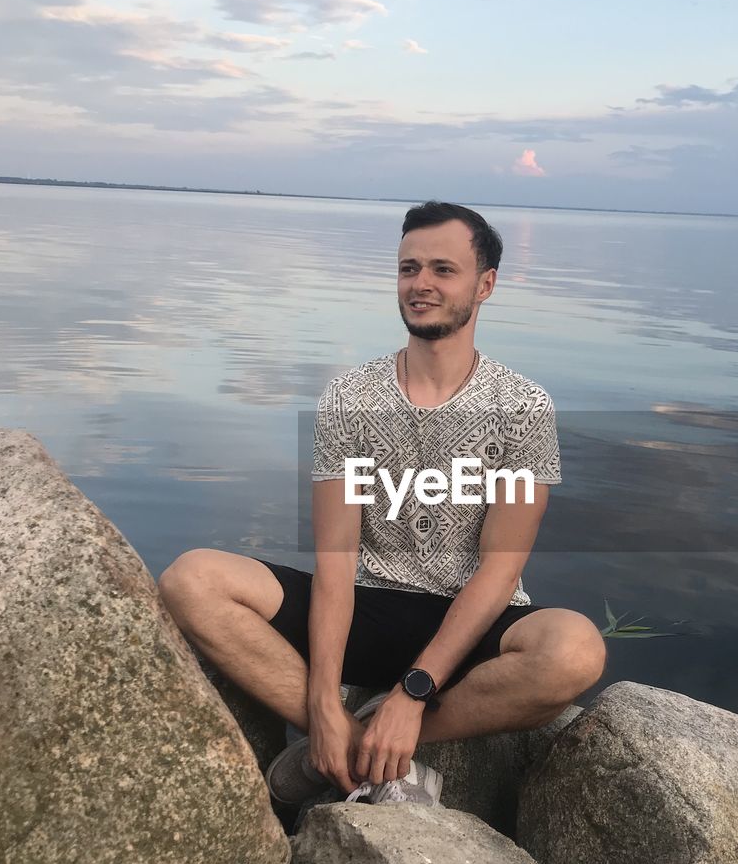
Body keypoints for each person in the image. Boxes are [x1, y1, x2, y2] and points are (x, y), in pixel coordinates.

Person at [158, 201, 607, 805]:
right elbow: (337, 559)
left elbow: (500, 572)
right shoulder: (351, 395)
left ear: (486, 284)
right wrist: (320, 699)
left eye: (443, 269)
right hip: (366, 604)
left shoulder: (521, 407)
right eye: (408, 268)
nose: (420, 284)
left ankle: (370, 736)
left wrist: (414, 694)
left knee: (575, 651)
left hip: (466, 617)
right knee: (192, 579)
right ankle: (342, 732)